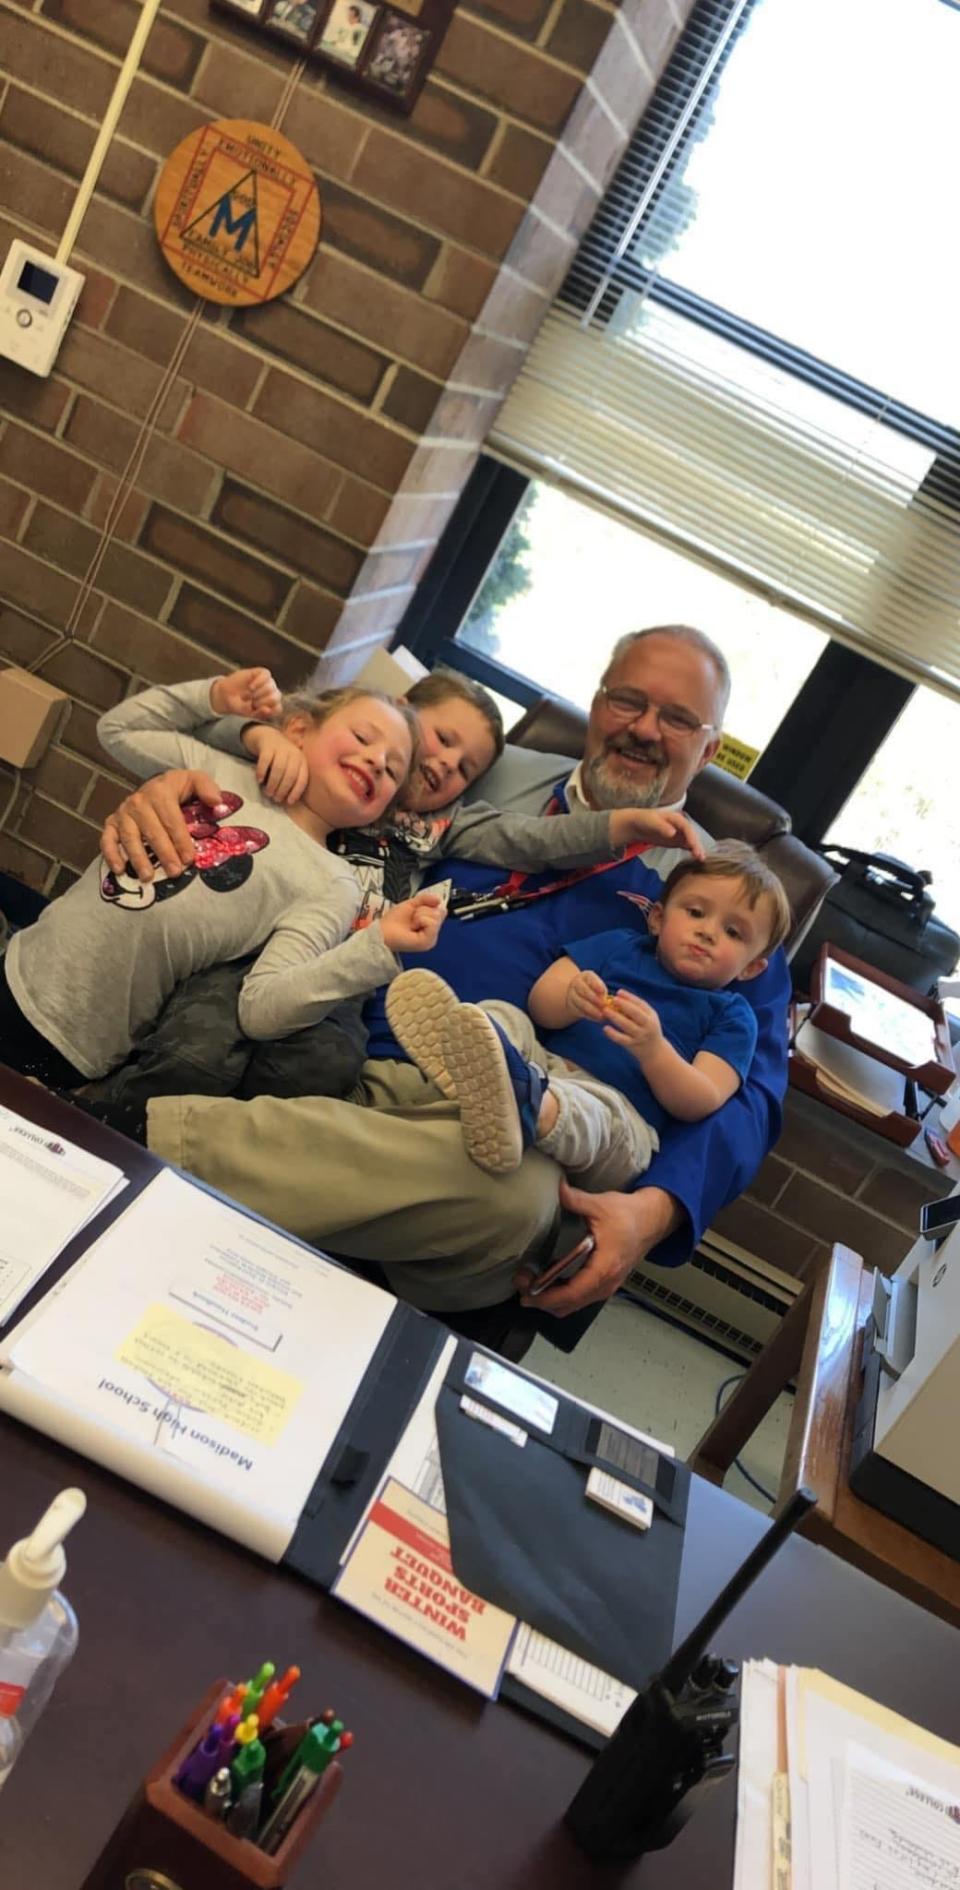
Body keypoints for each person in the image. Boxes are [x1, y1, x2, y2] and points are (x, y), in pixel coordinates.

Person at [99, 626, 792, 1323]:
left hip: (495, 1130)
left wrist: (652, 1212)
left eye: (676, 719)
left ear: (708, 749)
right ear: (596, 704)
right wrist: (182, 780)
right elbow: (309, 737)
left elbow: (747, 1105)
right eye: (628, 702)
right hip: (333, 1028)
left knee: (514, 1199)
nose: (644, 729)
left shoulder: (726, 898)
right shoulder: (485, 767)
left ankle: (134, 1135)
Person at [82, 668, 699, 1122]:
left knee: (326, 1066)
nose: (445, 766)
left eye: (464, 769)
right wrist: (255, 735)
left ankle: (221, 1169)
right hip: (250, 948)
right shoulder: (322, 763)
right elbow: (215, 738)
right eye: (441, 741)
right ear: (396, 713)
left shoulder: (443, 825)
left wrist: (620, 828)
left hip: (344, 975)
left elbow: (531, 840)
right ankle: (108, 1124)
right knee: (201, 1047)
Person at [0, 670, 443, 1087]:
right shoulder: (223, 771)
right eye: (364, 737)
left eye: (390, 770)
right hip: (18, 960)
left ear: (382, 809)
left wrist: (377, 945)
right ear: (300, 730)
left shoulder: (333, 884)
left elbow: (261, 1010)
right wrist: (216, 698)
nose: (375, 760)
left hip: (74, 1045)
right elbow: (117, 730)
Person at [385, 841, 791, 1185]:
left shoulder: (733, 1016)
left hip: (622, 1118)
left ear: (753, 966)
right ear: (658, 918)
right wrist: (572, 999)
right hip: (541, 1067)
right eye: (696, 913)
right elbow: (542, 1005)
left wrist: (654, 1051)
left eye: (733, 933)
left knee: (597, 1117)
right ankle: (465, 1050)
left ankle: (527, 1108)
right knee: (507, 1017)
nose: (708, 931)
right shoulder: (621, 947)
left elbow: (701, 1098)